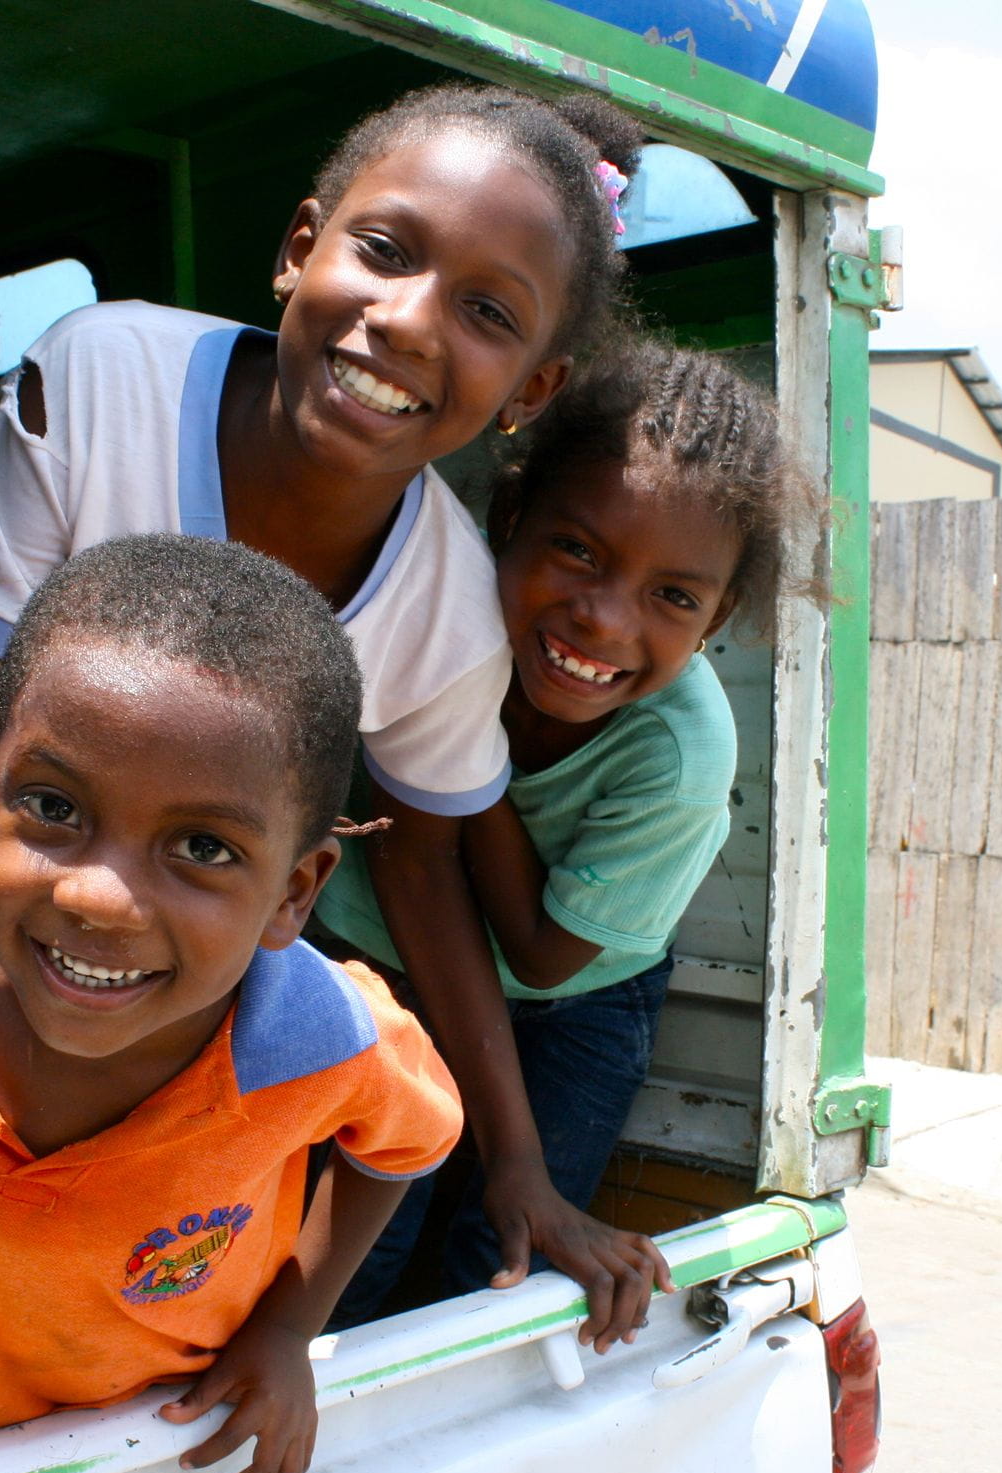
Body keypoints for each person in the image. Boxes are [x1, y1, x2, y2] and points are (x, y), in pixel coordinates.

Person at [0, 83, 670, 1347]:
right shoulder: (108, 376)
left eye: (484, 313)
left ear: (533, 388)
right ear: (300, 248)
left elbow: (428, 875)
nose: (407, 321)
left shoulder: (450, 613)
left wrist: (521, 1166)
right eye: (385, 250)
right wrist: (16, 1013)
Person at [0, 537, 463, 1473]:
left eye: (201, 847)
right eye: (52, 805)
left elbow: (411, 1142)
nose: (101, 897)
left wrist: (286, 1329)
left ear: (296, 893)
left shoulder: (315, 1036)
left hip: (144, 1472)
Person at [317, 340, 817, 1335]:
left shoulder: (679, 753)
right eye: (577, 551)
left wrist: (464, 761)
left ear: (717, 620)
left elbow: (543, 959)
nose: (601, 621)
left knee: (503, 1257)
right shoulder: (436, 625)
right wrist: (456, 749)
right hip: (382, 946)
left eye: (674, 597)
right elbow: (416, 864)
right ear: (509, 522)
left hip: (573, 997)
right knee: (355, 1248)